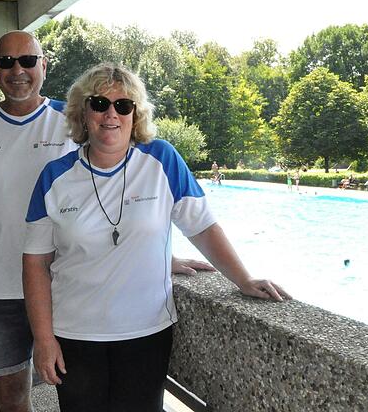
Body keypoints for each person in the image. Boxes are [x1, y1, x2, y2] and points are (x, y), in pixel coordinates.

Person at [0, 31, 211, 412]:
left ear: (44, 66)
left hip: (67, 289)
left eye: (28, 61)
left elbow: (121, 188)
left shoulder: (78, 120)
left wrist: (157, 256)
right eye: (6, 62)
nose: (18, 70)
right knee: (10, 396)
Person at [22, 63, 291, 411]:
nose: (111, 115)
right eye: (99, 103)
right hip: (75, 334)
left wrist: (243, 278)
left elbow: (202, 227)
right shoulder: (54, 177)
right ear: (82, 113)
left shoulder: (162, 159)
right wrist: (43, 340)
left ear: (136, 114)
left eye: (123, 105)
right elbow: (34, 263)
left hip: (146, 332)